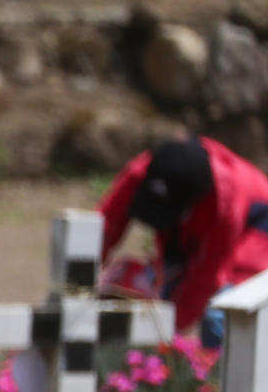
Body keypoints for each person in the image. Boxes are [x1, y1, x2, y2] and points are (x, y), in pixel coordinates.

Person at [97, 135, 268, 345]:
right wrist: (78, 282)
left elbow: (208, 276)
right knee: (148, 285)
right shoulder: (146, 170)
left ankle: (215, 372)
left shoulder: (225, 204)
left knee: (221, 310)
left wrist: (169, 333)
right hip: (192, 237)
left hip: (257, 236)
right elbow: (105, 224)